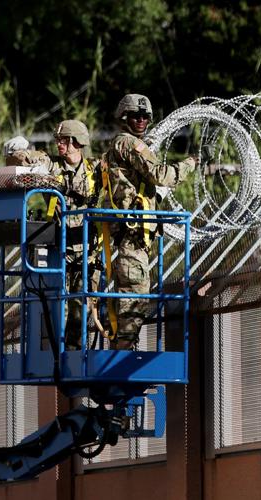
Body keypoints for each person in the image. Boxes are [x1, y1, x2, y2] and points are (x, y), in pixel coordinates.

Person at [100, 94, 195, 350]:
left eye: (145, 117)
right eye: (135, 116)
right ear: (124, 118)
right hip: (131, 237)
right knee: (136, 296)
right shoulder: (129, 144)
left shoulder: (120, 145)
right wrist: (191, 163)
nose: (141, 120)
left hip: (131, 235)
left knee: (131, 297)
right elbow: (161, 175)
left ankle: (121, 350)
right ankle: (121, 355)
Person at [48, 119, 101, 350]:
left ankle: (74, 355)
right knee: (58, 311)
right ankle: (65, 358)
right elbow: (29, 159)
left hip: (88, 255)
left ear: (77, 142)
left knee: (81, 311)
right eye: (58, 140)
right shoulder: (52, 167)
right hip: (61, 254)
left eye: (64, 140)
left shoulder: (96, 170)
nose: (59, 144)